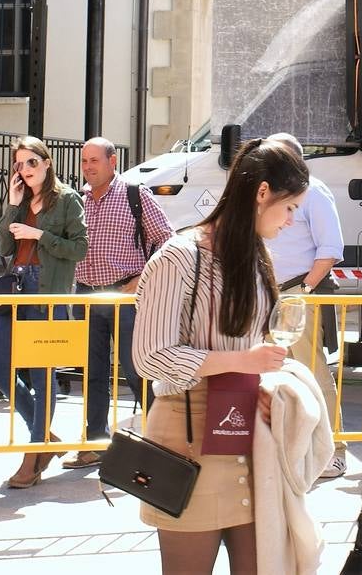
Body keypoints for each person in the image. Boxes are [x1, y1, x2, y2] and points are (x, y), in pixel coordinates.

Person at [132, 137, 309, 574]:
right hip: (185, 441)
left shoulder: (256, 257)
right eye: (289, 208)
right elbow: (151, 356)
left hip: (250, 438)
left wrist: (266, 383)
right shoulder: (180, 255)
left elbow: (252, 346)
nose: (292, 221)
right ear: (263, 192)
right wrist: (239, 363)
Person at [65, 137, 172, 469]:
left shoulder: (134, 195)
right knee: (92, 372)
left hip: (126, 296)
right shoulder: (77, 200)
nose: (87, 167)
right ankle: (95, 441)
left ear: (113, 162)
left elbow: (168, 239)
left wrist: (141, 280)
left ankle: (162, 445)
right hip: (86, 294)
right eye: (84, 161)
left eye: (94, 160)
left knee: (136, 367)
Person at [0, 136, 87, 487]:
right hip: (16, 287)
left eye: (32, 161)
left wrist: (39, 234)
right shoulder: (20, 201)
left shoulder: (67, 200)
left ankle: (33, 456)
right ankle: (45, 437)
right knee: (1, 375)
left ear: (47, 163)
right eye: (20, 163)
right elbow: (3, 247)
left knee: (42, 377)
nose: (26, 169)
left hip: (46, 290)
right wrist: (11, 206)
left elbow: (79, 249)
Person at [262, 132, 348, 479]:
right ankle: (293, 448)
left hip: (298, 293)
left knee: (313, 373)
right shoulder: (275, 192)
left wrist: (305, 289)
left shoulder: (315, 192)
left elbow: (330, 248)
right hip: (272, 292)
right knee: (276, 375)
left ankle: (334, 450)